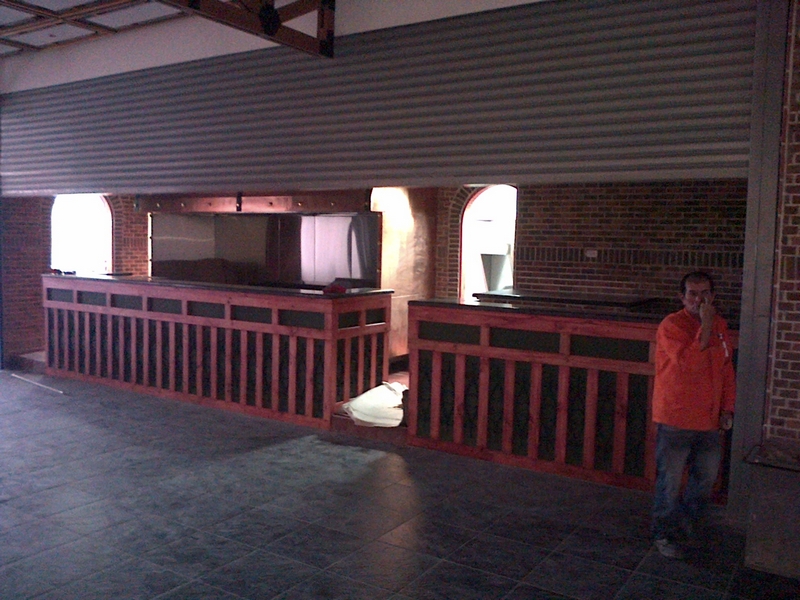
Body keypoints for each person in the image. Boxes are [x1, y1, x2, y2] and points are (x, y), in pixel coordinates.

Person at [651, 271, 736, 559]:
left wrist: (727, 407)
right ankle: (664, 533)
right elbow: (690, 363)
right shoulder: (671, 325)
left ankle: (688, 527)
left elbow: (726, 370)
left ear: (713, 296)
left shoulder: (720, 326)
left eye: (704, 293)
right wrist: (706, 324)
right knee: (670, 482)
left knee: (704, 480)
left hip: (710, 419)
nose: (698, 300)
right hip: (676, 417)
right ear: (682, 297)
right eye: (692, 294)